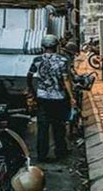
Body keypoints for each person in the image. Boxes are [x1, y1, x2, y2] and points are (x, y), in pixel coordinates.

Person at [27, 34, 73, 163]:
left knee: (43, 127)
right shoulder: (62, 60)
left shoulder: (37, 60)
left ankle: (42, 154)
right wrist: (71, 97)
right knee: (58, 126)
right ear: (56, 46)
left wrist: (32, 91)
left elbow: (29, 76)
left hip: (42, 97)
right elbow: (66, 79)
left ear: (43, 46)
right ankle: (60, 151)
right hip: (58, 97)